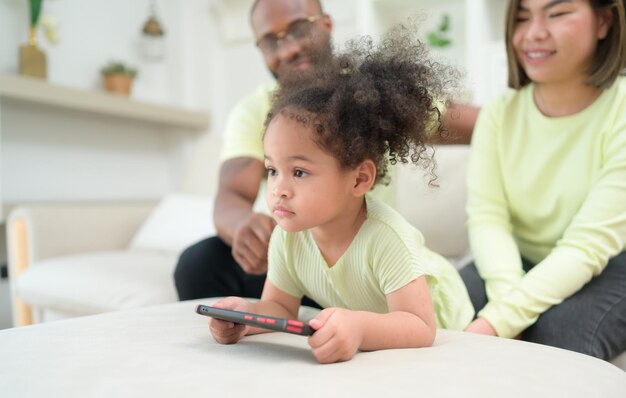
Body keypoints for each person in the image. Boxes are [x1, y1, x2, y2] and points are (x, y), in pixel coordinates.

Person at [174, 0, 480, 303]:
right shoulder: (253, 111)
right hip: (302, 256)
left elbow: (486, 125)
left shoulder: (374, 98)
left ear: (327, 24)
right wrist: (244, 227)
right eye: (270, 42)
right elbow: (232, 197)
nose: (288, 49)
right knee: (199, 263)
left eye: (298, 30)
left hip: (363, 263)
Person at [207, 27, 475, 364]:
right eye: (272, 170)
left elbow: (421, 327)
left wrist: (359, 327)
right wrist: (245, 316)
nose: (278, 189)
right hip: (375, 320)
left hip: (451, 324)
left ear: (360, 178)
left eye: (299, 172)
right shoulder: (288, 237)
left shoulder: (387, 238)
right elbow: (280, 307)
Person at [460, 0, 626, 361]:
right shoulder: (499, 114)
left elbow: (588, 246)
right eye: (522, 17)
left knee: (561, 337)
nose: (534, 33)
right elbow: (488, 219)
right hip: (521, 257)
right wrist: (507, 309)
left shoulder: (621, 111)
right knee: (442, 304)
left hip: (613, 263)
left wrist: (497, 321)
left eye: (557, 13)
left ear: (604, 21)